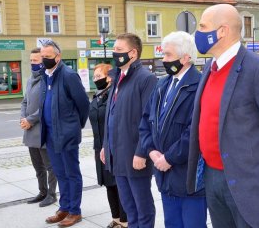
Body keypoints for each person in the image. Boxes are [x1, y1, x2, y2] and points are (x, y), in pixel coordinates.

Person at [186, 4, 259, 228]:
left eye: (202, 27)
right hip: (212, 177)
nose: (197, 33)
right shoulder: (209, 68)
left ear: (222, 31)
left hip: (250, 183)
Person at [139, 31, 207, 228]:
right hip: (165, 177)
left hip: (189, 179)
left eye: (168, 55)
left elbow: (195, 132)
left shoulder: (199, 86)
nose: (163, 60)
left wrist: (168, 158)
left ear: (185, 58)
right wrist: (151, 151)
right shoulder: (162, 84)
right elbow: (145, 122)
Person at [101, 33, 158, 228]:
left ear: (132, 53)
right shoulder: (117, 77)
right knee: (128, 207)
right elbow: (111, 116)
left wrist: (142, 152)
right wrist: (105, 146)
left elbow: (149, 119)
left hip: (135, 156)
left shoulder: (146, 79)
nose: (114, 53)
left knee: (142, 208)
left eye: (118, 50)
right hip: (117, 154)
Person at [40, 40, 90, 227]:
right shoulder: (45, 75)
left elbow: (83, 104)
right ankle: (65, 207)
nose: (44, 60)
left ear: (58, 57)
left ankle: (75, 211)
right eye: (42, 56)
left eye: (48, 57)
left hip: (66, 135)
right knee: (60, 173)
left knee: (71, 173)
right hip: (50, 135)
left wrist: (75, 126)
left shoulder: (68, 75)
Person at [89, 63, 128, 228]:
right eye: (94, 77)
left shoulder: (114, 96)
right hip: (99, 146)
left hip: (113, 147)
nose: (95, 79)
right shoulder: (97, 96)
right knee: (108, 184)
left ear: (109, 78)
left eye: (99, 76)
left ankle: (125, 221)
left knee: (119, 185)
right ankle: (116, 218)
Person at [20, 48, 57, 207]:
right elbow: (24, 101)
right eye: (31, 61)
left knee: (50, 165)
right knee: (38, 166)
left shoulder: (47, 79)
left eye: (35, 61)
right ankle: (42, 191)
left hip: (42, 129)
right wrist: (23, 118)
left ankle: (51, 194)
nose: (32, 64)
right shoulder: (30, 80)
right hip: (29, 130)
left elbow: (45, 105)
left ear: (43, 62)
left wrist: (30, 119)